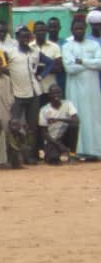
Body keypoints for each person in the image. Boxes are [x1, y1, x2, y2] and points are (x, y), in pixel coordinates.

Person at [61, 17, 101, 160]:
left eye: (82, 28)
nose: (80, 31)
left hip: (92, 89)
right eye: (77, 29)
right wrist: (90, 64)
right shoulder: (67, 46)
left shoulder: (94, 45)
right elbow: (70, 68)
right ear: (72, 30)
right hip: (75, 88)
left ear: (86, 29)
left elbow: (100, 63)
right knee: (78, 117)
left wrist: (82, 61)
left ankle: (95, 151)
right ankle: (78, 151)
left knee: (94, 118)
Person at [5, 25, 46, 164]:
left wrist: (41, 76)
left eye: (27, 37)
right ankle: (15, 156)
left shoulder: (35, 51)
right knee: (15, 125)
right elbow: (3, 67)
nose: (24, 39)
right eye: (22, 37)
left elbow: (50, 63)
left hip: (34, 92)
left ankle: (31, 155)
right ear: (17, 38)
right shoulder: (10, 52)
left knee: (32, 126)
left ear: (30, 38)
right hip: (17, 93)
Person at [38, 84, 79, 164]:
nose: (56, 95)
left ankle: (72, 155)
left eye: (58, 93)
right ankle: (50, 155)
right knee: (54, 160)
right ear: (49, 95)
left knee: (74, 126)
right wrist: (59, 146)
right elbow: (44, 133)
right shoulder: (44, 110)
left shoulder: (68, 104)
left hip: (64, 137)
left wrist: (58, 119)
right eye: (53, 93)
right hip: (52, 139)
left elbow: (76, 120)